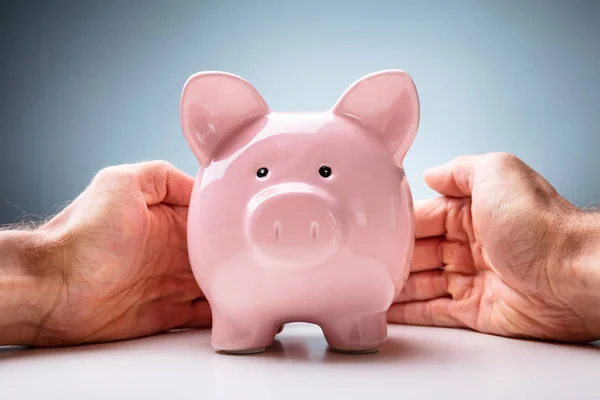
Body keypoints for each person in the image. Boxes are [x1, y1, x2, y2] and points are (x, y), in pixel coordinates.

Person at [0, 154, 598, 347]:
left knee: (359, 324)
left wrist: (558, 265)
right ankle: (243, 325)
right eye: (258, 172)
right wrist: (52, 271)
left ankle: (356, 324)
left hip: (364, 295)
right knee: (241, 323)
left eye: (326, 171)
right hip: (235, 297)